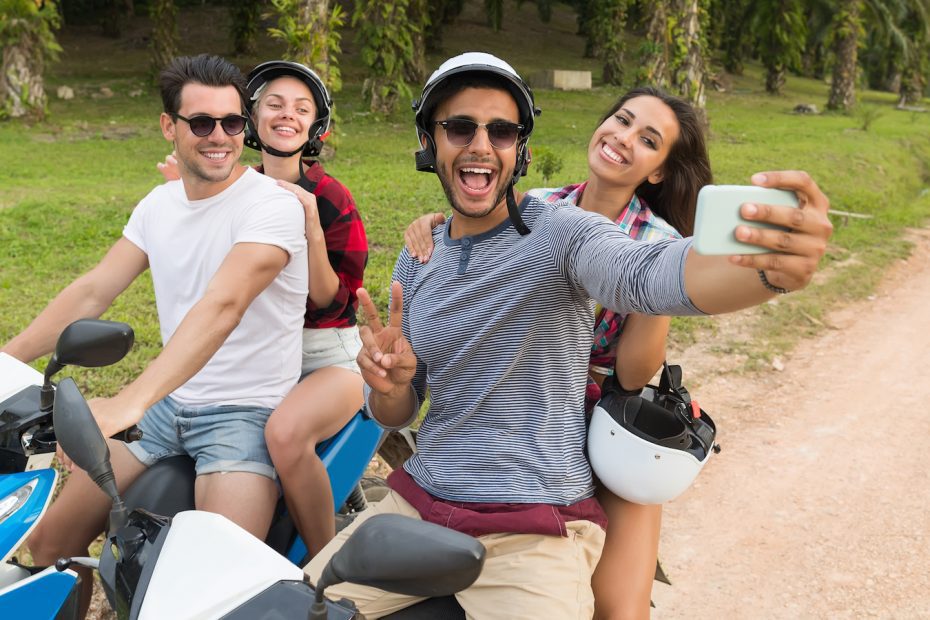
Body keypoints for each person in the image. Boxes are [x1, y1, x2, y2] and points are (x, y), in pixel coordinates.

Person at [304, 52, 832, 619]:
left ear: (518, 150)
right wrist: (388, 384)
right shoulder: (419, 262)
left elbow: (649, 275)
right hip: (418, 501)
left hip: (536, 519)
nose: (481, 143)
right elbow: (398, 413)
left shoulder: (564, 229)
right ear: (432, 144)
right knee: (278, 605)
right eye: (460, 127)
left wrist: (765, 270)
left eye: (501, 130)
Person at [1, 54, 308, 618]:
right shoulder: (158, 205)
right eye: (201, 123)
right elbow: (95, 290)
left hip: (244, 416)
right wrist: (8, 358)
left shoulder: (272, 207)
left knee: (206, 592)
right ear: (170, 127)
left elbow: (224, 305)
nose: (220, 137)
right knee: (46, 551)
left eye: (233, 123)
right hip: (169, 408)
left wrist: (127, 401)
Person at [402, 85, 710, 618]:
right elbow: (471, 228)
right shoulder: (539, 203)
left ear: (658, 171)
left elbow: (635, 373)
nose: (623, 138)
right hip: (523, 405)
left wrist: (652, 287)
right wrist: (432, 222)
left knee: (619, 604)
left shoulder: (659, 238)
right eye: (621, 119)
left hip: (605, 412)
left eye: (648, 139)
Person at [158, 60, 368, 557]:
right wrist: (186, 187)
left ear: (316, 125)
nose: (286, 115)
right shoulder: (233, 186)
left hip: (326, 354)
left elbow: (326, 299)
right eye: (273, 104)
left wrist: (311, 225)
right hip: (259, 355)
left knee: (286, 434)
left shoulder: (332, 197)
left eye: (301, 108)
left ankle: (322, 567)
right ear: (251, 117)